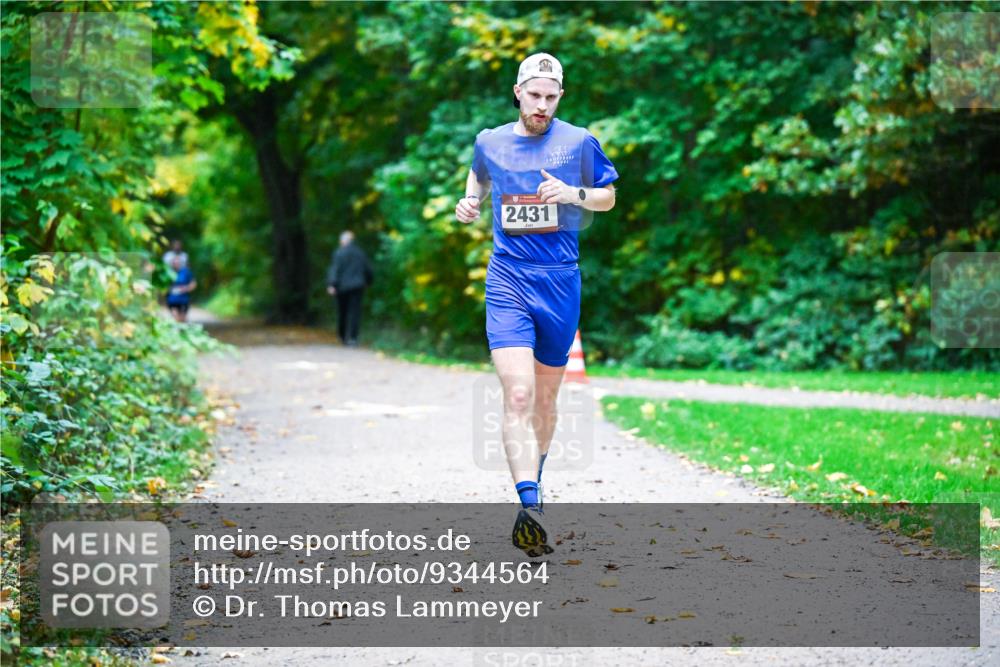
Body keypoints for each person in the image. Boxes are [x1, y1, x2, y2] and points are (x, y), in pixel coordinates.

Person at [454, 53, 619, 557]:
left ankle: (535, 493)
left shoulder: (579, 141)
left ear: (559, 98)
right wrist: (470, 203)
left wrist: (574, 193)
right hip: (508, 279)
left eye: (551, 97)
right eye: (535, 96)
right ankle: (529, 504)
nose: (542, 106)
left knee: (545, 401)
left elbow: (607, 197)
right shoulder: (490, 140)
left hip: (559, 283)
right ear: (518, 92)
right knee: (519, 396)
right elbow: (479, 176)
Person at [326, 231, 374, 346]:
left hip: (342, 288)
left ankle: (342, 336)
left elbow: (334, 270)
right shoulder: (360, 253)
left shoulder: (339, 253)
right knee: (355, 313)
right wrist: (368, 282)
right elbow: (368, 270)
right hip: (357, 287)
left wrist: (331, 284)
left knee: (342, 312)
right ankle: (353, 338)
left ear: (343, 241)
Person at [166, 254, 196, 322]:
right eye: (174, 262)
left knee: (183, 319)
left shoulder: (186, 272)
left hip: (184, 300)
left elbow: (193, 284)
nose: (176, 264)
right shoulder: (168, 272)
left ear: (180, 263)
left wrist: (186, 288)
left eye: (177, 262)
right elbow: (163, 285)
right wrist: (169, 289)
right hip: (172, 300)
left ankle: (182, 330)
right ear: (172, 263)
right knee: (175, 318)